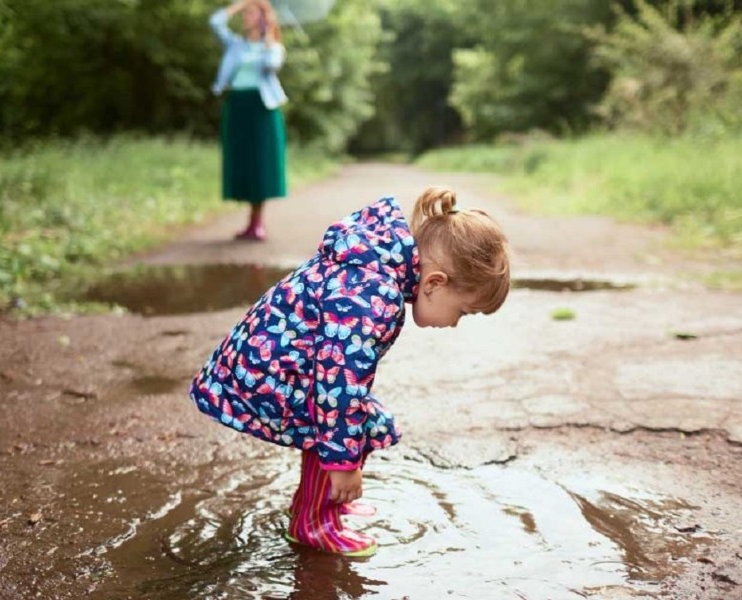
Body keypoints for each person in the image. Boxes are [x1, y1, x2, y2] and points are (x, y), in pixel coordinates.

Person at [189, 187, 510, 556]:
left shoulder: (376, 267)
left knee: (362, 423)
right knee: (339, 428)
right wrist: (341, 462)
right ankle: (314, 521)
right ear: (435, 283)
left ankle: (323, 503)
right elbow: (337, 386)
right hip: (265, 374)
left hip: (278, 368)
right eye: (463, 312)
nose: (455, 324)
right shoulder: (374, 296)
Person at [209, 0, 288, 241]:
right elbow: (214, 22)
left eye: (251, 13)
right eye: (245, 14)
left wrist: (268, 39)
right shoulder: (235, 45)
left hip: (262, 108)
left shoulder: (273, 47)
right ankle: (250, 222)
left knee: (260, 163)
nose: (246, 17)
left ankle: (257, 222)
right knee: (242, 161)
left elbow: (272, 66)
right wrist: (240, 4)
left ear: (262, 18)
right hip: (237, 106)